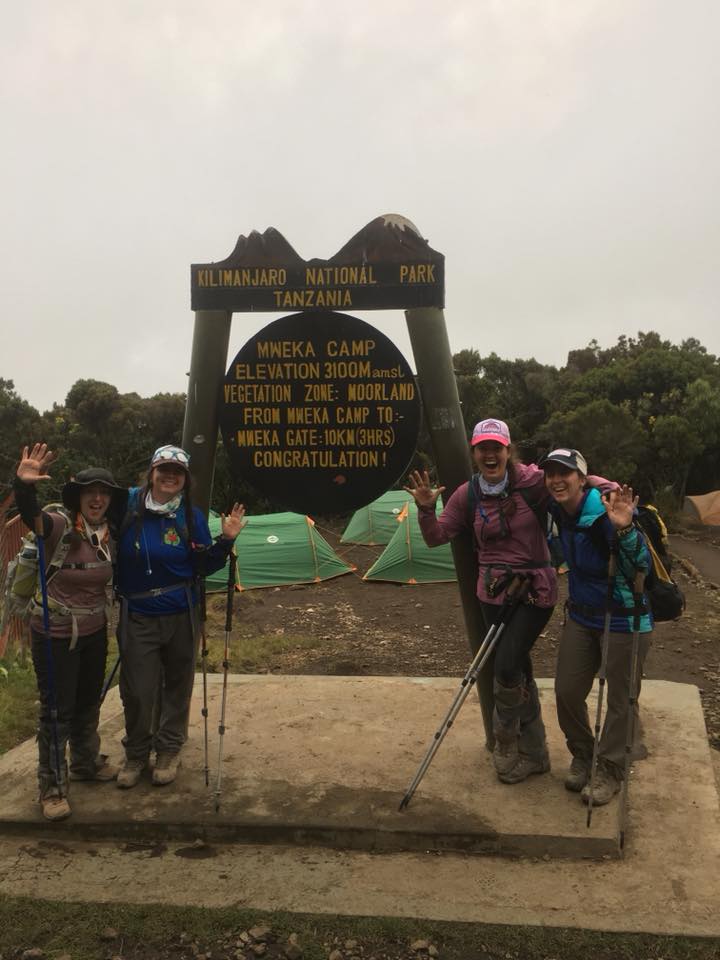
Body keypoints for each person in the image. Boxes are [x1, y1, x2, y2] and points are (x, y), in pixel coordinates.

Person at [404, 418, 555, 784]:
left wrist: (608, 488)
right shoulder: (466, 494)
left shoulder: (532, 480)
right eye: (483, 448)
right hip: (492, 592)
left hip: (535, 589)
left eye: (496, 447)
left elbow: (573, 482)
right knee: (520, 669)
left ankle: (506, 741)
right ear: (474, 452)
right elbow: (437, 537)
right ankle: (535, 753)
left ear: (508, 450)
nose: (490, 454)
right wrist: (426, 510)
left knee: (504, 667)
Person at [115, 444, 244, 789]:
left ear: (185, 480)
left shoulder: (190, 516)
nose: (170, 476)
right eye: (164, 469)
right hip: (138, 613)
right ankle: (136, 752)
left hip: (182, 613)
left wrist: (226, 541)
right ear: (151, 473)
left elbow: (203, 565)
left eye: (178, 471)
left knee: (176, 684)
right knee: (138, 690)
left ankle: (168, 749)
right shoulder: (127, 505)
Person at [13, 442, 127, 822]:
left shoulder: (110, 533)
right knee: (56, 711)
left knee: (88, 702)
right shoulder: (60, 525)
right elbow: (32, 517)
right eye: (89, 492)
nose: (97, 498)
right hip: (54, 632)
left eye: (104, 492)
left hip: (94, 631)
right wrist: (24, 486)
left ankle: (84, 763)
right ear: (78, 496)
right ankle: (52, 787)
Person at [541, 448, 652, 805]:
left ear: (582, 479)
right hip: (582, 615)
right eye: (551, 473)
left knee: (620, 699)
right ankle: (584, 753)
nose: (557, 479)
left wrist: (626, 530)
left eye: (566, 473)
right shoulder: (557, 511)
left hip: (624, 616)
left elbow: (643, 566)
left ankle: (610, 768)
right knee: (567, 691)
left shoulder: (605, 512)